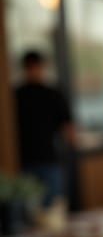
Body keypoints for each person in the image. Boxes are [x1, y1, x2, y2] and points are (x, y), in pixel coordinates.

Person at [14, 49, 74, 205]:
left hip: (49, 158)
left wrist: (71, 145)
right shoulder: (16, 95)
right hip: (25, 161)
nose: (34, 71)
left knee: (53, 206)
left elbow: (67, 127)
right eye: (31, 67)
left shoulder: (53, 94)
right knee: (29, 207)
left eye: (36, 67)